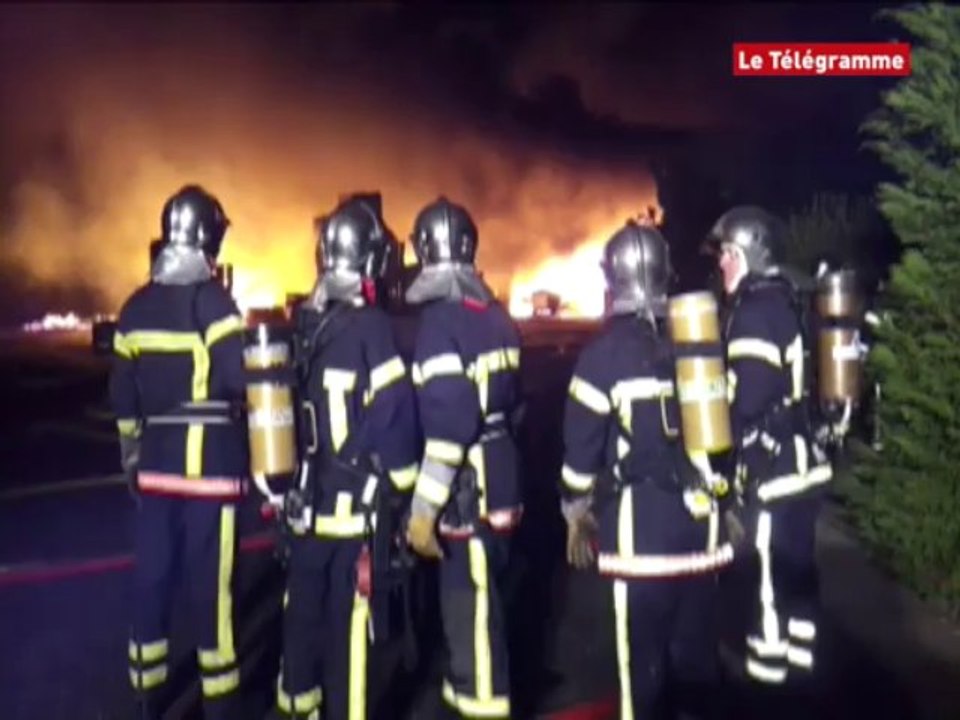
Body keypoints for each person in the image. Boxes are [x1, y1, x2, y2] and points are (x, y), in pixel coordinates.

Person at [560, 219, 734, 719]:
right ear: (665, 273)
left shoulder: (602, 357)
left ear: (612, 278)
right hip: (703, 535)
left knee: (642, 674)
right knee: (696, 666)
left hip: (642, 544)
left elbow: (580, 453)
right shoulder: (699, 339)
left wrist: (576, 511)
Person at [274, 196, 421, 720]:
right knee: (348, 636)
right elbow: (395, 417)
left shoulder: (303, 324)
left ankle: (298, 710)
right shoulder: (372, 328)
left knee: (300, 623)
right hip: (354, 515)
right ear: (372, 259)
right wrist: (404, 489)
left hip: (303, 511)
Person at [110, 185, 247, 719]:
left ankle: (148, 694)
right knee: (213, 591)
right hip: (211, 472)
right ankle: (220, 700)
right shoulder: (213, 302)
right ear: (207, 236)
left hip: (156, 472)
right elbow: (238, 376)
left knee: (152, 579)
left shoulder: (134, 308)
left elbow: (123, 395)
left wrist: (132, 454)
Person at [403, 196, 523, 720]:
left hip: (466, 497)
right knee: (488, 605)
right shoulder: (497, 318)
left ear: (424, 250)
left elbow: (450, 431)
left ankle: (482, 706)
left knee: (470, 616)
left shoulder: (438, 326)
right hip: (504, 484)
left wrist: (423, 510)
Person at [706, 206, 833, 697]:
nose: (721, 263)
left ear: (748, 256)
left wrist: (726, 465)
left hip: (772, 473)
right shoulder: (787, 301)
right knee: (798, 575)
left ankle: (768, 684)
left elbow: (750, 400)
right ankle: (802, 674)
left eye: (728, 254)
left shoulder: (754, 313)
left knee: (767, 582)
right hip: (803, 466)